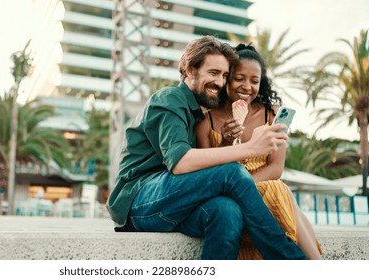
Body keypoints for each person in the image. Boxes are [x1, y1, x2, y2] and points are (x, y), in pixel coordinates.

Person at [106, 35, 306, 260]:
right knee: (232, 174)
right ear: (190, 70)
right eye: (213, 73)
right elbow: (181, 163)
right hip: (138, 202)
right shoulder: (169, 99)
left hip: (175, 203)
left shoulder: (199, 114)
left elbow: (203, 171)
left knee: (226, 210)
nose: (220, 82)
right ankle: (290, 260)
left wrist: (227, 143)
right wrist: (251, 148)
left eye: (224, 75)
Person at [196, 43, 322, 259]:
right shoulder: (206, 120)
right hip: (225, 195)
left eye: (254, 81)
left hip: (263, 191)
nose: (247, 87)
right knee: (282, 191)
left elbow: (275, 167)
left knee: (277, 188)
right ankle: (316, 264)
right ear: (226, 78)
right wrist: (225, 142)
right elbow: (205, 173)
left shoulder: (271, 115)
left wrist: (243, 187)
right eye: (239, 78)